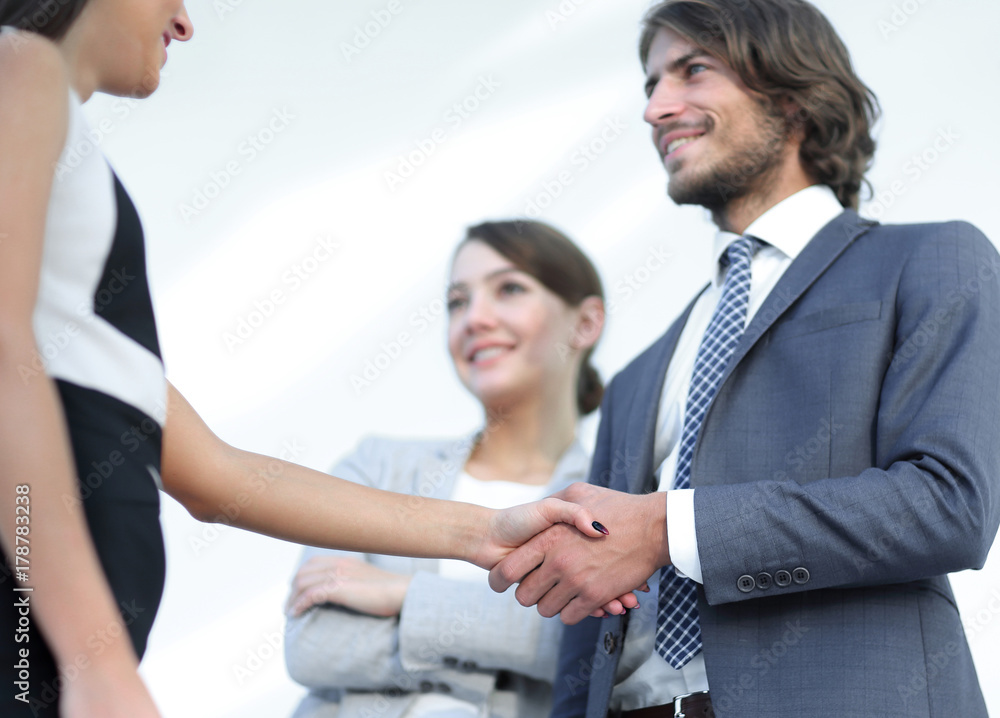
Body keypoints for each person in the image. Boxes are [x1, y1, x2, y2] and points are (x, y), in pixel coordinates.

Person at [0, 4, 618, 717]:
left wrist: (481, 531)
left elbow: (217, 477)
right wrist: (98, 665)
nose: (184, 20)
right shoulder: (25, 66)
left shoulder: (82, 327)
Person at [488, 1, 1000, 716]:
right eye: (650, 85)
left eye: (692, 71)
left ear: (792, 93)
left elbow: (950, 504)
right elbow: (587, 616)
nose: (657, 108)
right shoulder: (639, 378)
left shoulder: (931, 260)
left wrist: (668, 526)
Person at [283, 219, 609, 718]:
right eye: (457, 301)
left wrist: (404, 594)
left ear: (585, 323)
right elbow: (313, 642)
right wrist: (509, 645)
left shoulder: (617, 501)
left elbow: (606, 654)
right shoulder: (377, 467)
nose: (474, 318)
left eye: (510, 289)